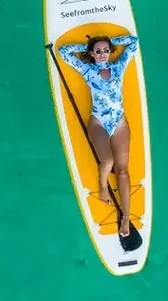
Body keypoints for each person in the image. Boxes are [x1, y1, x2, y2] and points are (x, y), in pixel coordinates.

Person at [58, 33, 139, 239]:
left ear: (110, 52)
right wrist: (87, 45)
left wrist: (112, 42)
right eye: (98, 51)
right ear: (92, 54)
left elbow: (134, 42)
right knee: (108, 161)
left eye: (106, 50)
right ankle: (103, 186)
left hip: (119, 122)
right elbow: (63, 51)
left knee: (123, 172)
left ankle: (126, 217)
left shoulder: (119, 67)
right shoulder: (87, 70)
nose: (102, 54)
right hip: (98, 122)